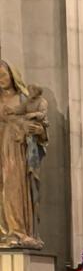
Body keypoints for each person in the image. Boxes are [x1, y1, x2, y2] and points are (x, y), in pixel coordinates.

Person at [0, 60, 47, 248]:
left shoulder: (24, 100)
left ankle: (17, 232)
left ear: (13, 75)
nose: (1, 80)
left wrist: (38, 131)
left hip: (16, 153)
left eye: (3, 74)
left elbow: (41, 130)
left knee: (13, 190)